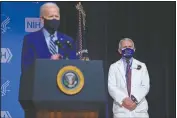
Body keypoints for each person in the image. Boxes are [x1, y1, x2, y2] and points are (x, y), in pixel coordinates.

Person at [21, 2, 77, 73]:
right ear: (42, 19)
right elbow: (26, 67)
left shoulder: (68, 40)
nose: (54, 19)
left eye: (57, 16)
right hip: (40, 82)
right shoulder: (30, 39)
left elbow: (74, 65)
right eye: (51, 16)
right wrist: (48, 61)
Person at [108, 38, 150, 118]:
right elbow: (112, 87)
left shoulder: (142, 66)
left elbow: (145, 86)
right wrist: (124, 100)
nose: (127, 49)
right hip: (121, 110)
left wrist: (134, 100)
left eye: (130, 47)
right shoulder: (113, 67)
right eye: (125, 47)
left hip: (139, 110)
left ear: (134, 49)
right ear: (120, 51)